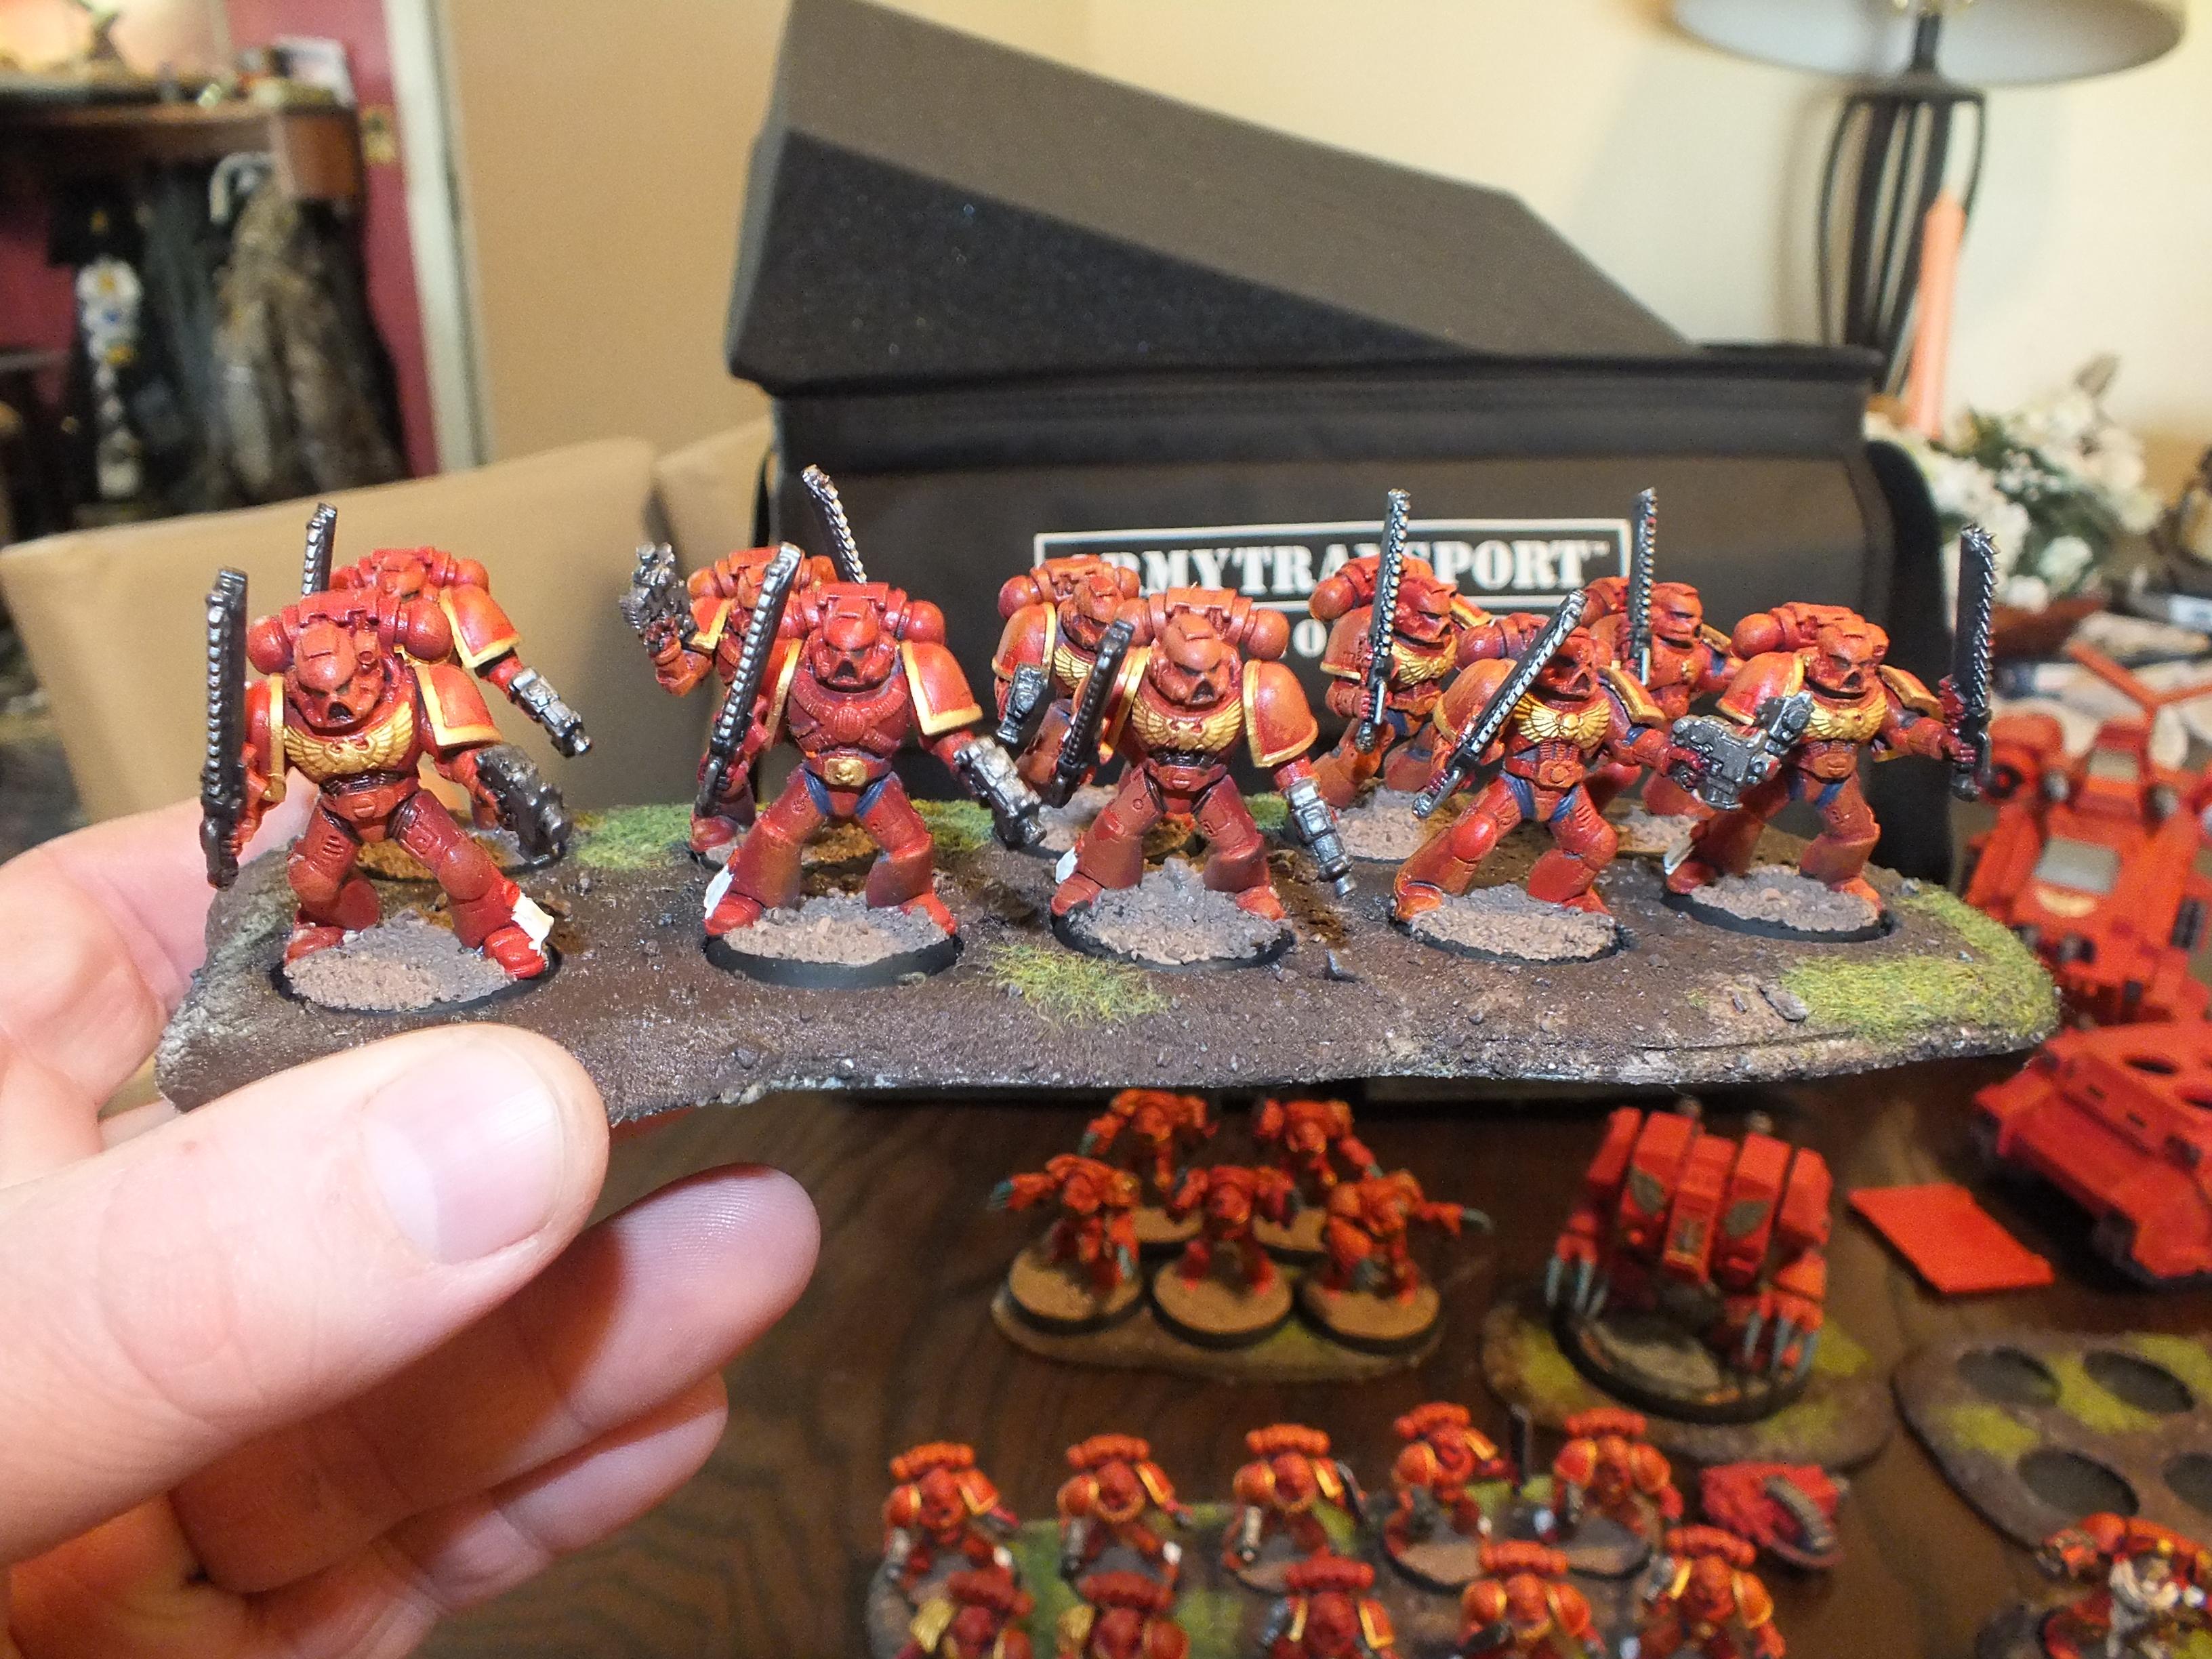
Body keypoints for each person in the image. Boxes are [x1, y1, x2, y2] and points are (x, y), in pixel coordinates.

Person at [0, 798, 821, 1658]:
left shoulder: (393, 712)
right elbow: (266, 769)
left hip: (404, 802)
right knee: (313, 877)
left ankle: (500, 931)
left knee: (463, 870)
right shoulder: (300, 727)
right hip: (345, 818)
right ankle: (336, 935)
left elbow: (449, 737)